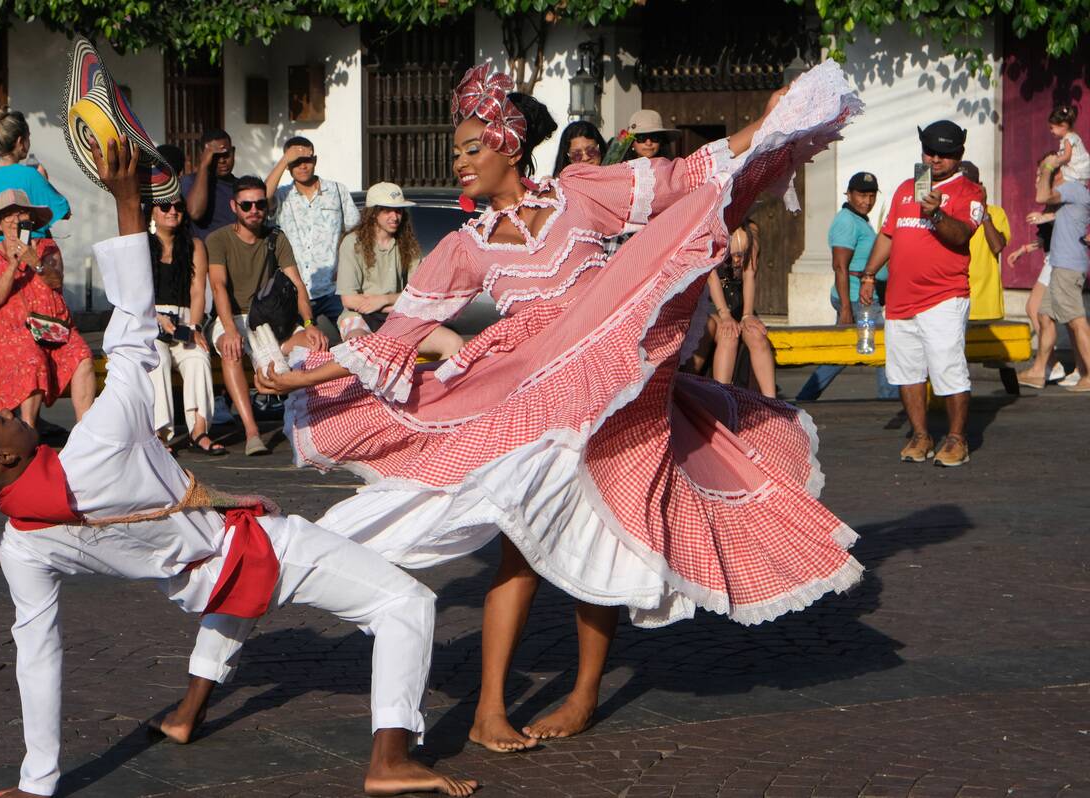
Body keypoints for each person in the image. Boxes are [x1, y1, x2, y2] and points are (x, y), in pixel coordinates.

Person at [250, 62, 863, 751]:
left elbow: (679, 181)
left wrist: (765, 124)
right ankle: (488, 710)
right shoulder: (464, 245)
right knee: (521, 543)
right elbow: (399, 336)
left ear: (508, 146)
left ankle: (581, 696)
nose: (458, 163)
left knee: (598, 528)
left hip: (610, 384)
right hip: (533, 395)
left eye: (469, 149)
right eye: (455, 153)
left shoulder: (580, 194)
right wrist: (305, 382)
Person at [0, 138, 477, 798]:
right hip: (248, 553)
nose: (7, 413)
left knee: (225, 589)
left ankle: (187, 715)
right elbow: (132, 328)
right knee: (406, 603)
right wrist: (129, 201)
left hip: (201, 582)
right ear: (6, 457)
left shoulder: (21, 544)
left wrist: (36, 784)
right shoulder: (96, 443)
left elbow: (38, 656)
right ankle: (392, 755)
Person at [858, 120, 983, 467]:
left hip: (944, 296)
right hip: (899, 299)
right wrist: (869, 275)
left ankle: (957, 439)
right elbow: (888, 235)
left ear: (959, 154)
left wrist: (937, 213)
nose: (935, 159)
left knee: (948, 367)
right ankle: (921, 435)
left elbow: (961, 236)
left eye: (944, 153)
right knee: (905, 371)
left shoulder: (970, 192)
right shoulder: (903, 190)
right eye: (929, 151)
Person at [207, 175, 326, 455]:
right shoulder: (218, 239)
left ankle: (310, 424)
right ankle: (252, 432)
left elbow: (297, 284)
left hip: (272, 317)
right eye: (246, 205)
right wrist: (229, 328)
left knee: (316, 346)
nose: (254, 211)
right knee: (231, 348)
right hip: (234, 315)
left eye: (260, 204)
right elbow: (218, 286)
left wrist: (309, 323)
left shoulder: (277, 236)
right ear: (234, 206)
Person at [0, 190, 95, 426]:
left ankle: (86, 431)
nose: (14, 220)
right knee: (32, 358)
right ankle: (29, 430)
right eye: (7, 215)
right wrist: (13, 264)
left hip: (54, 329)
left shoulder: (47, 247)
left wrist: (35, 262)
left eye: (19, 213)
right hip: (14, 333)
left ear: (29, 218)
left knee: (83, 356)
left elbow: (56, 280)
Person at [796, 172, 897, 401]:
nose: (867, 201)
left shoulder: (860, 220)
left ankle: (805, 396)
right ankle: (890, 399)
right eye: (861, 195)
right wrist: (845, 309)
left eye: (871, 196)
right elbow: (840, 267)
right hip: (855, 297)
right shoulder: (846, 222)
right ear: (849, 194)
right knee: (882, 344)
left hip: (862, 297)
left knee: (845, 350)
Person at [336, 181, 463, 358]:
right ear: (373, 213)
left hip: (398, 315)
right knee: (360, 347)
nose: (395, 216)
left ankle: (432, 386)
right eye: (387, 210)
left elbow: (418, 295)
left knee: (453, 343)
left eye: (398, 210)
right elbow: (349, 300)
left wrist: (384, 300)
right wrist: (393, 303)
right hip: (360, 316)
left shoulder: (408, 245)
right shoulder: (352, 242)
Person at [146, 195, 225, 454]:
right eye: (165, 206)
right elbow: (135, 292)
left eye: (178, 207)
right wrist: (156, 318)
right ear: (153, 212)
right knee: (158, 361)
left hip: (184, 318)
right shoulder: (143, 245)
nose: (172, 212)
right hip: (150, 319)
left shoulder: (194, 245)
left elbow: (197, 292)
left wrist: (195, 327)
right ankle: (159, 433)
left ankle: (199, 430)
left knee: (198, 357)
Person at [265, 136, 360, 335]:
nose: (302, 166)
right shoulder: (282, 195)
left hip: (332, 290)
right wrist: (283, 160)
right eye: (295, 162)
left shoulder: (337, 190)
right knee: (297, 350)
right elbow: (262, 198)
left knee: (356, 334)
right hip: (293, 291)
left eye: (306, 160)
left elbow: (356, 233)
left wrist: (345, 265)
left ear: (315, 160)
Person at [1017, 151, 1090, 392]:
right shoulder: (1070, 193)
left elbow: (1041, 195)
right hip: (1060, 263)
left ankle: (1087, 372)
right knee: (1044, 315)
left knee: (1077, 322)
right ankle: (1039, 371)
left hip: (1068, 266)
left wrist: (1048, 166)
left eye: (1045, 172)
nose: (1040, 176)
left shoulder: (1071, 188)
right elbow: (1051, 211)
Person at [0, 110, 71, 250]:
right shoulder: (30, 176)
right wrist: (44, 180)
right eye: (28, 138)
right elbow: (64, 212)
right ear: (20, 142)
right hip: (27, 254)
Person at [702, 220, 777, 397]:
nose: (737, 261)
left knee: (756, 334)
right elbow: (712, 278)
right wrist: (725, 315)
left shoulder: (751, 231)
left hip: (738, 301)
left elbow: (749, 274)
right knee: (728, 335)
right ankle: (721, 397)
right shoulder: (710, 230)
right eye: (733, 255)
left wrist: (748, 314)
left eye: (740, 256)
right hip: (712, 303)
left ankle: (771, 400)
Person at [960, 162, 1010, 322]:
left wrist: (983, 211)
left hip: (985, 306)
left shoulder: (996, 213)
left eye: (968, 185)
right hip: (954, 304)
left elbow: (997, 246)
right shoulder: (948, 212)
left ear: (979, 186)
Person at [181, 129, 237, 239]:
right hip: (205, 253)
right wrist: (203, 166)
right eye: (215, 156)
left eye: (226, 154)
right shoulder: (190, 181)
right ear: (203, 156)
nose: (222, 161)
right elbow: (195, 212)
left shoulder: (240, 186)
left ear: (233, 151)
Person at [1049, 104, 1090, 182]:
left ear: (1063, 126)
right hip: (1080, 171)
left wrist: (1054, 162)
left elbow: (1067, 157)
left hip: (1077, 170)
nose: (1051, 131)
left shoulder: (1068, 139)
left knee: (1058, 179)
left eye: (1052, 128)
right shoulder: (1072, 137)